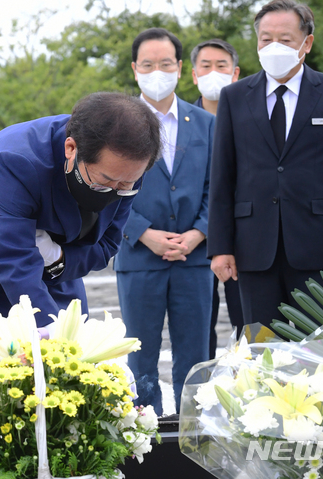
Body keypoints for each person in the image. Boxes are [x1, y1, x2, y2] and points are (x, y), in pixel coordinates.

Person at [0, 92, 161, 374]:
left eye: (125, 184)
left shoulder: (128, 167)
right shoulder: (16, 159)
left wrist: (57, 258)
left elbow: (106, 246)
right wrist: (52, 330)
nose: (116, 190)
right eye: (103, 181)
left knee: (73, 376)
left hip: (54, 275)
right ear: (71, 149)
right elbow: (13, 259)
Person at [208, 0, 323, 329]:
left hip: (319, 249)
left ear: (306, 43)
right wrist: (220, 247)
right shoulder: (234, 97)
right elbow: (223, 177)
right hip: (253, 248)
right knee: (262, 349)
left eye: (285, 39)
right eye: (266, 39)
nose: (274, 47)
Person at [114, 28, 215, 415]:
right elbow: (104, 189)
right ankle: (145, 436)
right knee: (140, 357)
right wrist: (143, 233)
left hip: (195, 259)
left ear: (180, 67)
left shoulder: (205, 123)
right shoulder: (117, 125)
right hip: (139, 259)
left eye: (166, 63)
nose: (158, 71)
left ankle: (195, 432)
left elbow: (217, 187)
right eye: (149, 64)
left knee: (196, 356)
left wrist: (198, 233)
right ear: (135, 69)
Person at [190, 38, 245, 359]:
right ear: (194, 75)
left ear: (235, 73)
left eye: (221, 66)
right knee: (198, 326)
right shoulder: (181, 122)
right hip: (195, 244)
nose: (214, 72)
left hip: (244, 242)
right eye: (206, 66)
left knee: (249, 323)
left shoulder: (252, 117)